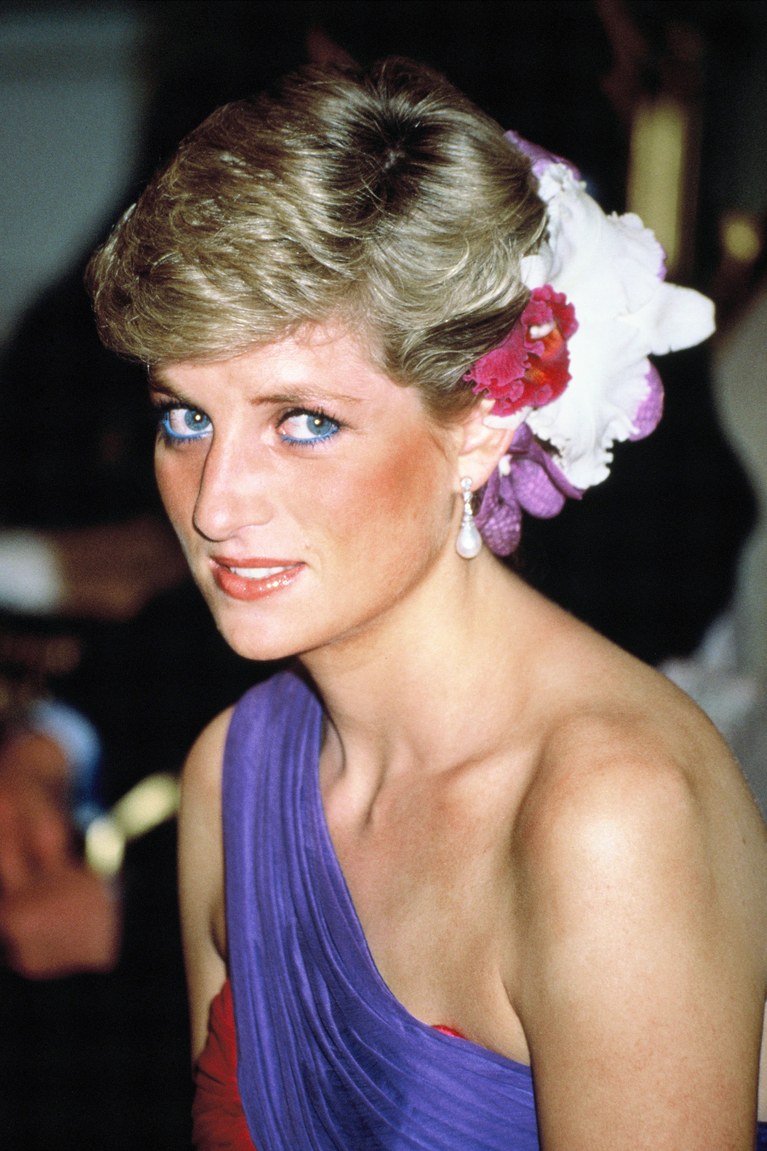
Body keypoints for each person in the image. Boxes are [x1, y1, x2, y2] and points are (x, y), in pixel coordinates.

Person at [86, 58, 767, 1150]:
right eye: (185, 418)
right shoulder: (230, 771)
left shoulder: (606, 816)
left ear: (480, 426)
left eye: (303, 421)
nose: (215, 504)